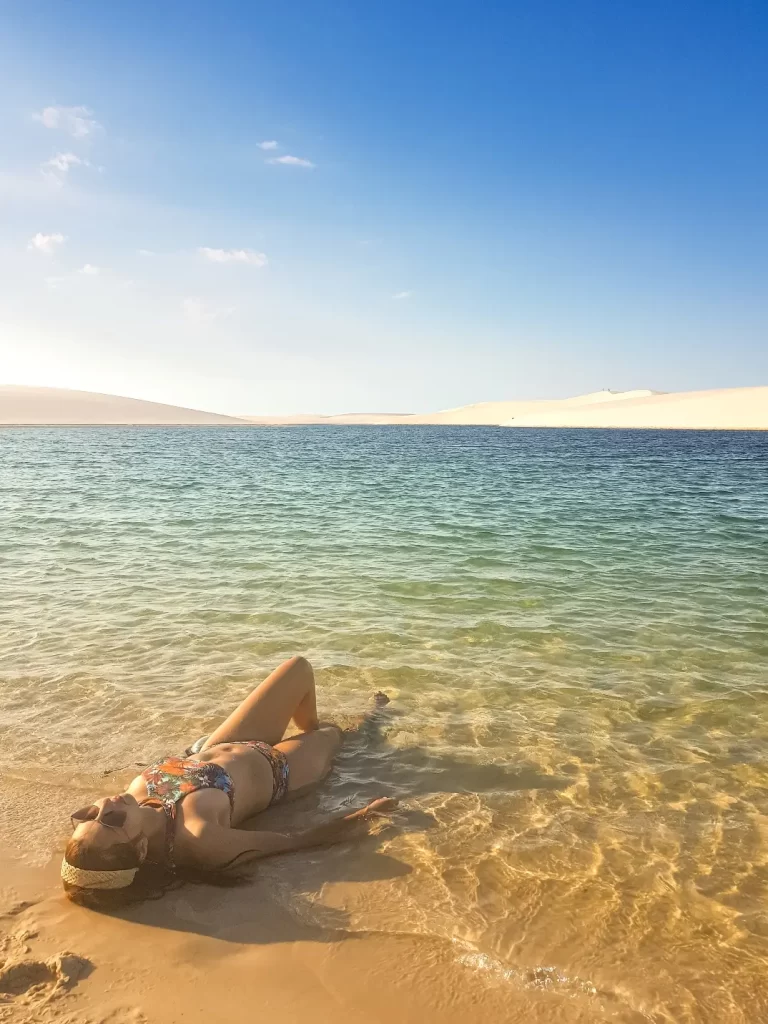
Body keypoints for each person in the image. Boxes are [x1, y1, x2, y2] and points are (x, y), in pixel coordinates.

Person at [62, 656, 397, 908]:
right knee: (337, 734)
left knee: (298, 668)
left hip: (224, 743)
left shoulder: (129, 803)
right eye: (111, 820)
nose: (105, 805)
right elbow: (293, 841)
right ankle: (376, 717)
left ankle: (313, 728)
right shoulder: (200, 837)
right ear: (141, 847)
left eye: (88, 814)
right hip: (282, 771)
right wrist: (365, 815)